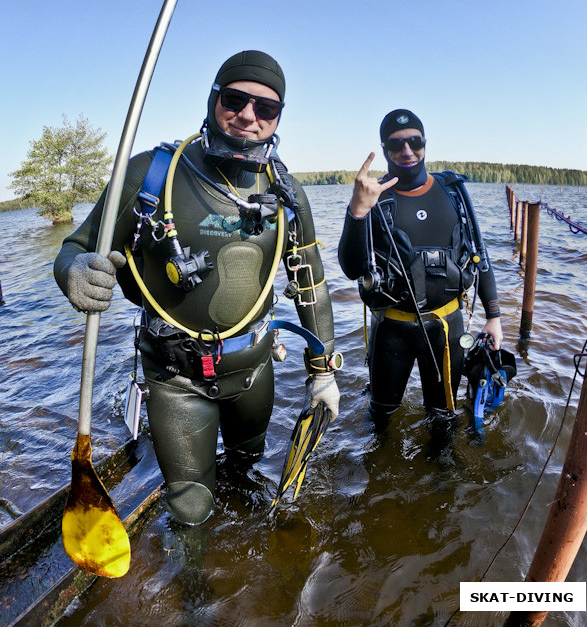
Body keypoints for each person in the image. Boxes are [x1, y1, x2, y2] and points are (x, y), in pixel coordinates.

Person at [54, 50, 340, 525]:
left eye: (266, 109)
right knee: (191, 508)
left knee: (249, 469)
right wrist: (74, 272)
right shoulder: (151, 174)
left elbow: (310, 278)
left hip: (253, 370)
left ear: (277, 119)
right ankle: (194, 597)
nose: (249, 116)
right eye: (235, 99)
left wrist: (323, 369)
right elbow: (76, 245)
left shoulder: (286, 191)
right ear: (213, 100)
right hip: (176, 379)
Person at [338, 108, 502, 431]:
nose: (407, 151)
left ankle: (444, 481)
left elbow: (479, 254)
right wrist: (357, 209)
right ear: (385, 150)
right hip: (392, 330)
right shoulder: (374, 198)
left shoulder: (452, 192)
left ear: (425, 143)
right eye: (396, 145)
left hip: (447, 328)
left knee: (444, 424)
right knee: (379, 423)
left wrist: (494, 316)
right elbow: (352, 268)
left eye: (415, 141)